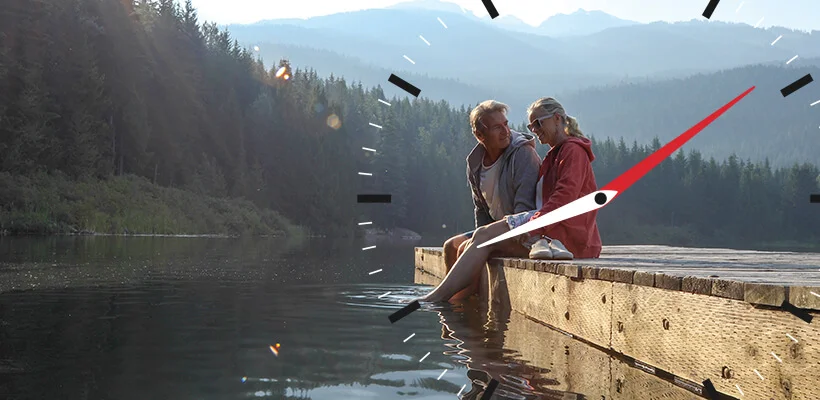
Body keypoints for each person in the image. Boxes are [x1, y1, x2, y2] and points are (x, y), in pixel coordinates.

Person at [420, 97, 602, 303]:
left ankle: (439, 300)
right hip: (552, 233)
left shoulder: (573, 151)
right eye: (530, 125)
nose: (534, 129)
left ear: (557, 119)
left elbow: (564, 199)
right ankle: (454, 305)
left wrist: (533, 228)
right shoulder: (555, 154)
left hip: (569, 240)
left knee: (483, 239)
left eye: (538, 123)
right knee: (478, 237)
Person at [440, 100, 541, 299]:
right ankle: (458, 307)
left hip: (525, 235)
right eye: (497, 127)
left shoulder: (523, 154)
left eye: (506, 124)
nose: (506, 131)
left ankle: (457, 305)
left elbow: (525, 210)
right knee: (450, 246)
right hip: (496, 230)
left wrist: (485, 241)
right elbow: (481, 209)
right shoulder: (475, 163)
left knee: (466, 247)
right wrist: (482, 235)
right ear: (480, 135)